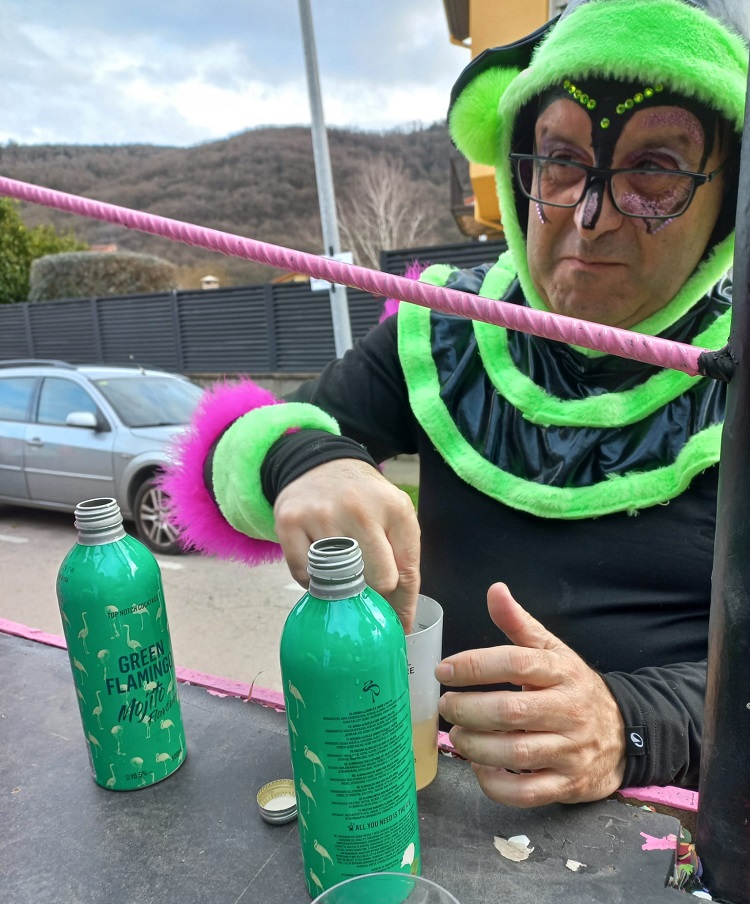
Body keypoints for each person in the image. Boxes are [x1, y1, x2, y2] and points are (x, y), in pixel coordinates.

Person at [165, 0, 749, 808]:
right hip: (431, 802)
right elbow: (240, 444)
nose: (590, 218)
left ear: (728, 197)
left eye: (654, 168)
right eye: (561, 162)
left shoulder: (736, 367)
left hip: (664, 832)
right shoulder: (447, 325)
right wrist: (305, 460)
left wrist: (631, 726)